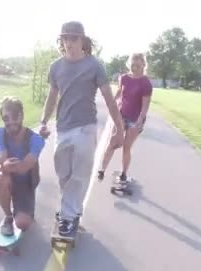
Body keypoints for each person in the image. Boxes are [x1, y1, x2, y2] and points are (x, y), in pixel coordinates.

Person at [38, 21, 125, 236]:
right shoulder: (55, 66)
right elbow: (52, 96)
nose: (69, 43)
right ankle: (73, 209)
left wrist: (119, 128)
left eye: (74, 38)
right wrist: (43, 121)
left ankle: (67, 216)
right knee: (64, 175)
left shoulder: (94, 66)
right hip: (63, 127)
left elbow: (109, 98)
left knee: (79, 175)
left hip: (86, 126)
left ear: (83, 40)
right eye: (65, 38)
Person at [0, 96, 46, 236]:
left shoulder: (36, 140)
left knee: (23, 224)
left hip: (26, 183)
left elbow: (24, 166)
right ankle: (8, 216)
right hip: (9, 178)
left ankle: (24, 208)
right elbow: (2, 157)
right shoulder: (0, 133)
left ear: (22, 115)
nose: (11, 121)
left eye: (15, 116)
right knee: (0, 178)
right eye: (6, 118)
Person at [98, 52, 153, 183]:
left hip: (136, 119)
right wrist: (112, 102)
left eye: (138, 65)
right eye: (132, 65)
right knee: (113, 142)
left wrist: (140, 121)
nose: (135, 68)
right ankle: (102, 170)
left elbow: (145, 105)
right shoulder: (123, 78)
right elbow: (119, 93)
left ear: (143, 65)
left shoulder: (146, 83)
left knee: (126, 147)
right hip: (121, 115)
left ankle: (124, 174)